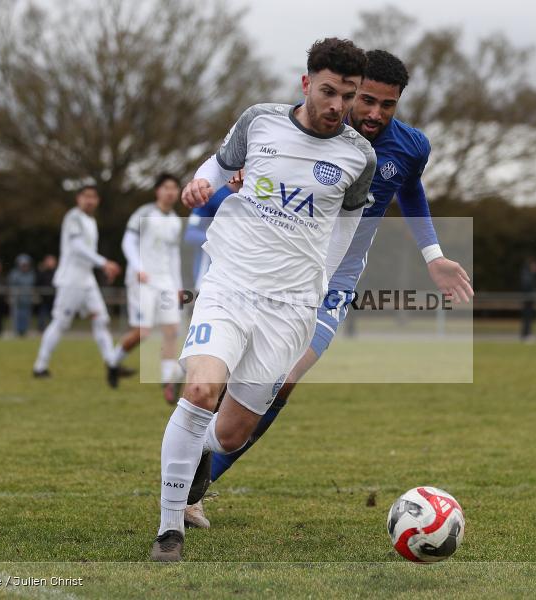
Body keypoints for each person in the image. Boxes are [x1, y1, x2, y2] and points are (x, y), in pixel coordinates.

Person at [189, 49, 474, 530]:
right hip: (267, 274)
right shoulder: (307, 134)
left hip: (333, 284)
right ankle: (190, 451)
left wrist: (434, 255)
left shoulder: (410, 146)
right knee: (226, 378)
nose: (374, 113)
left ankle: (198, 483)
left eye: (388, 105)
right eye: (366, 100)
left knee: (283, 380)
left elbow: (409, 186)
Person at [150, 38, 378, 562]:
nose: (337, 106)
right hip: (231, 283)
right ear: (306, 83)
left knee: (231, 435)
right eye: (328, 92)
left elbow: (345, 230)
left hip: (291, 307)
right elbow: (218, 164)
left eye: (347, 96)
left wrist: (319, 287)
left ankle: (197, 455)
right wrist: (200, 184)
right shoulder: (260, 122)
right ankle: (169, 531)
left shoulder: (358, 156)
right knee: (201, 390)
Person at [32, 185, 122, 378]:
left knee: (101, 320)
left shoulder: (91, 221)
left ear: (97, 200)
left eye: (93, 197)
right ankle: (40, 366)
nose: (89, 200)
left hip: (87, 279)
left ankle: (112, 364)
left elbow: (87, 251)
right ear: (78, 198)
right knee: (61, 322)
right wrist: (104, 263)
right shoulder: (73, 217)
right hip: (71, 279)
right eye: (86, 196)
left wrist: (101, 265)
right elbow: (77, 247)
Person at [107, 173, 184, 396]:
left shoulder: (175, 221)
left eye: (174, 188)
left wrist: (178, 285)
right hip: (143, 281)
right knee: (142, 332)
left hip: (165, 281)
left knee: (172, 330)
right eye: (166, 187)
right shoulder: (145, 213)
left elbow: (174, 255)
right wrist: (138, 267)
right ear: (157, 190)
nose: (170, 192)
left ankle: (167, 380)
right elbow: (128, 241)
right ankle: (113, 362)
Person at [183, 172, 243, 291]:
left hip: (236, 275)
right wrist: (220, 240)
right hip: (208, 273)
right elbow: (190, 234)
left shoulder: (252, 198)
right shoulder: (213, 194)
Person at [8, 254, 36, 337]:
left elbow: (32, 285)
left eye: (26, 264)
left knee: (26, 316)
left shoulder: (31, 274)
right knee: (16, 316)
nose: (24, 266)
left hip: (27, 299)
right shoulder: (14, 274)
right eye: (23, 265)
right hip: (17, 300)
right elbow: (11, 286)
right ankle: (16, 332)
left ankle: (24, 332)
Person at [520, 257, 536, 342]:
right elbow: (527, 287)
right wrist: (533, 294)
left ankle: (527, 334)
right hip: (527, 299)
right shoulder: (528, 275)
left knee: (529, 317)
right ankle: (526, 334)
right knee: (527, 317)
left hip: (529, 299)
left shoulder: (530, 275)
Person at [36, 254, 57, 332]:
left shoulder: (57, 272)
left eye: (51, 261)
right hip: (44, 299)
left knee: (54, 316)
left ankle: (54, 330)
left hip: (54, 298)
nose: (49, 263)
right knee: (42, 315)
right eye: (48, 261)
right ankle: (41, 330)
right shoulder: (42, 272)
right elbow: (37, 283)